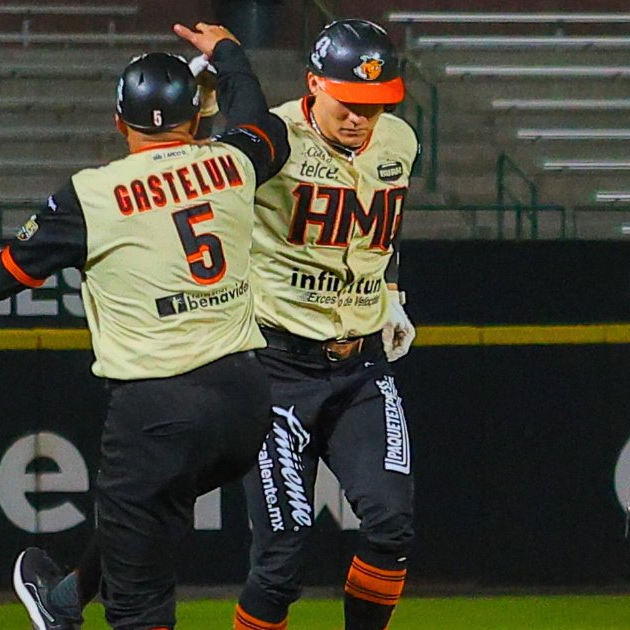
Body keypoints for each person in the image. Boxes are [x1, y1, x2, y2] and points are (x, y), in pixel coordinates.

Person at [0, 24, 289, 630]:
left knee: (138, 602)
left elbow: (9, 269)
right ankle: (63, 602)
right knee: (144, 518)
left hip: (158, 409)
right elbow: (264, 125)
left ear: (119, 121)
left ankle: (68, 605)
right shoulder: (233, 163)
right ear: (196, 113)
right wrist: (229, 54)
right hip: (245, 404)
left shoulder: (93, 193)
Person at [228, 19, 419, 630]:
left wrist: (389, 289)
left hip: (362, 366)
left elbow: (380, 233)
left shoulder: (400, 142)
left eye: (376, 103)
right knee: (280, 565)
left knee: (391, 525)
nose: (362, 117)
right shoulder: (275, 137)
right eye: (350, 101)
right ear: (313, 83)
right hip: (276, 370)